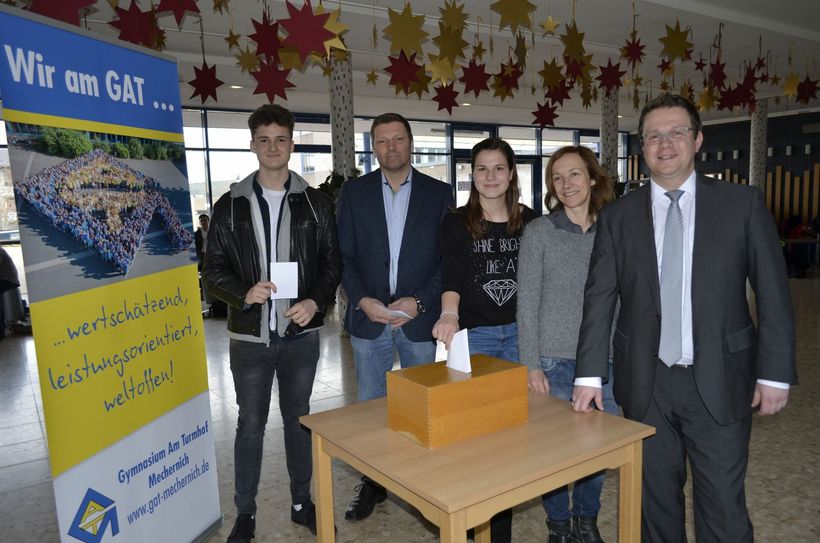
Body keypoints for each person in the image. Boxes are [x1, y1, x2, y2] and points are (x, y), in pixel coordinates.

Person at [573, 94, 797, 543]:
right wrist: (590, 375)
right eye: (654, 135)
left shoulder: (742, 204)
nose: (665, 143)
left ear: (697, 140)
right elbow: (599, 298)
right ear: (642, 148)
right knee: (654, 505)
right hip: (645, 382)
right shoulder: (618, 216)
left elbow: (774, 294)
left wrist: (775, 373)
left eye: (676, 132)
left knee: (723, 509)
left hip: (721, 375)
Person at [202, 104, 342, 543]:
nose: (273, 147)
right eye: (264, 139)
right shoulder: (229, 206)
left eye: (281, 138)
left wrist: (315, 301)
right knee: (250, 424)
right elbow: (212, 270)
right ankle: (246, 514)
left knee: (299, 420)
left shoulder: (317, 204)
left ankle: (303, 504)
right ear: (253, 145)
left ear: (292, 144)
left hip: (300, 335)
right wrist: (243, 293)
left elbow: (332, 264)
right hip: (250, 338)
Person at [337, 112, 453, 521]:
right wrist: (363, 299)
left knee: (422, 406)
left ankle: (422, 489)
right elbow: (344, 257)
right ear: (374, 146)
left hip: (418, 320)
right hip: (370, 318)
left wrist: (420, 302)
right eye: (382, 141)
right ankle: (373, 483)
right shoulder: (354, 193)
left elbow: (447, 261)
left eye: (398, 139)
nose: (391, 147)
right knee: (371, 406)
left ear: (411, 143)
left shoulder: (439, 194)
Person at [431, 137, 536, 542]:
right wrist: (449, 314)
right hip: (476, 338)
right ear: (471, 175)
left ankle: (500, 531)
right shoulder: (456, 222)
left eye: (498, 169)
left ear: (511, 174)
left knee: (508, 436)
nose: (490, 177)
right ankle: (472, 522)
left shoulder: (530, 220)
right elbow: (453, 274)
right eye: (481, 169)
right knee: (474, 436)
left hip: (519, 335)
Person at [517, 145, 618, 543]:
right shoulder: (539, 232)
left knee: (596, 453)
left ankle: (586, 522)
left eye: (574, 174)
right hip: (553, 361)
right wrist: (531, 364)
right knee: (553, 456)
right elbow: (527, 303)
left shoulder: (615, 228)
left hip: (604, 361)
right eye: (557, 178)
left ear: (593, 178)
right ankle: (558, 525)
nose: (565, 184)